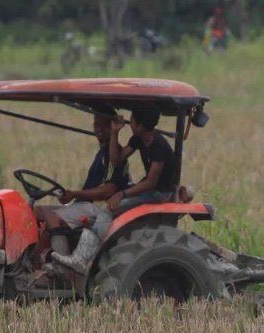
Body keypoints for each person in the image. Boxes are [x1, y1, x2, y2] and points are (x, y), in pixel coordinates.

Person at [52, 103, 175, 272]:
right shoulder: (138, 138)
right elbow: (116, 160)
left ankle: (81, 259)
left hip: (160, 194)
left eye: (131, 121)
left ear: (139, 125)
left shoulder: (159, 146)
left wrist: (122, 194)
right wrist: (115, 133)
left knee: (108, 209)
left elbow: (151, 183)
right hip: (148, 188)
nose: (128, 123)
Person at [35, 105, 129, 279]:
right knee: (37, 211)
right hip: (87, 204)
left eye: (104, 125)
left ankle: (61, 268)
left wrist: (74, 194)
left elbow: (108, 190)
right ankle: (34, 261)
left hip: (100, 208)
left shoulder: (111, 154)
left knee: (53, 217)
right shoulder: (102, 153)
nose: (99, 129)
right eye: (96, 124)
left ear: (113, 127)